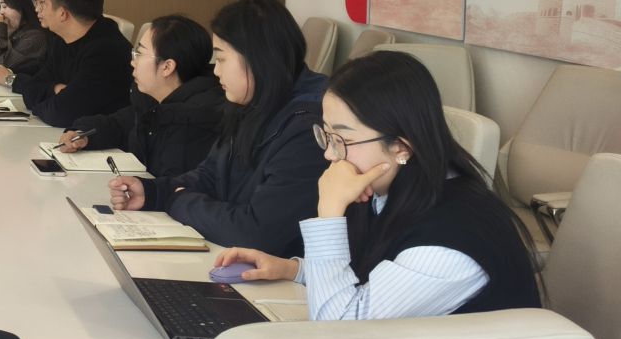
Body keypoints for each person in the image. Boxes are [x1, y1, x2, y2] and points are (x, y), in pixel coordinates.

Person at [214, 50, 540, 318]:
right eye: (326, 135)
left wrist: (329, 214)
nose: (329, 154)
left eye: (342, 139)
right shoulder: (391, 189)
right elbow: (369, 272)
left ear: (401, 147)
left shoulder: (450, 239)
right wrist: (291, 269)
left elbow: (340, 325)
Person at [108, 0, 326, 254]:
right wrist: (153, 193)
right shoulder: (253, 100)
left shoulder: (309, 129)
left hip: (277, 272)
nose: (216, 71)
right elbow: (211, 175)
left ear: (256, 58)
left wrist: (178, 201)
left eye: (222, 59)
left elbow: (257, 232)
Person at [54, 15, 225, 178]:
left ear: (167, 67)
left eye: (140, 54)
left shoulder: (195, 120)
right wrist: (82, 134)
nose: (132, 62)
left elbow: (173, 184)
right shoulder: (151, 100)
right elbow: (119, 124)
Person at [0, 0, 130, 127]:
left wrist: (47, 98)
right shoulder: (62, 40)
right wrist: (55, 90)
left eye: (42, 2)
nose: (36, 9)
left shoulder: (106, 51)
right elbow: (33, 88)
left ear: (63, 13)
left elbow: (60, 113)